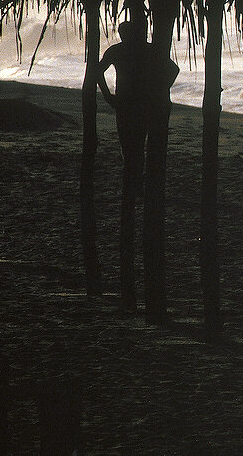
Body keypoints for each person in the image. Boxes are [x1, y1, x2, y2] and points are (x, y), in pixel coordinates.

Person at [97, 20, 179, 310]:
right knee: (138, 147)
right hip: (143, 103)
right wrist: (158, 89)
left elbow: (96, 70)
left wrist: (108, 96)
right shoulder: (147, 51)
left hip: (128, 103)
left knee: (130, 147)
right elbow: (173, 70)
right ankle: (137, 181)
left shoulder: (119, 51)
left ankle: (133, 181)